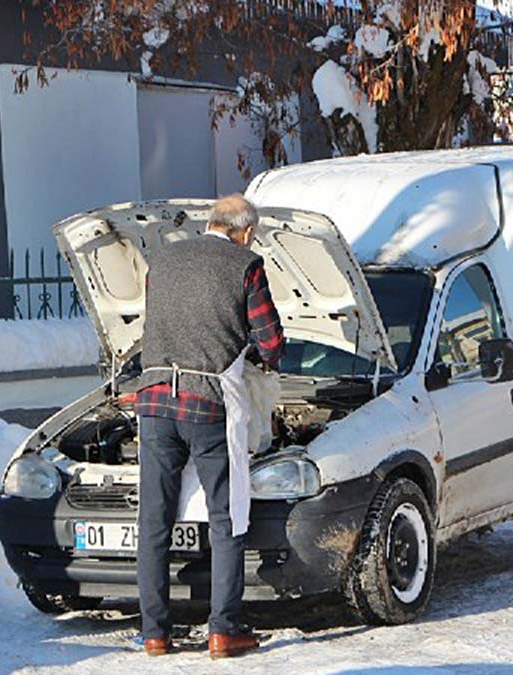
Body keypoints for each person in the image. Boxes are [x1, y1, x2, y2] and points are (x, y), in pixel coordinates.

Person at [134, 194, 284, 658]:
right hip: (208, 403)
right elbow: (271, 341)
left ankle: (156, 633)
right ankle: (223, 629)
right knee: (226, 515)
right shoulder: (246, 264)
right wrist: (262, 359)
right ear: (246, 231)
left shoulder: (162, 260)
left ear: (211, 223)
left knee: (154, 520)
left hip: (155, 399)